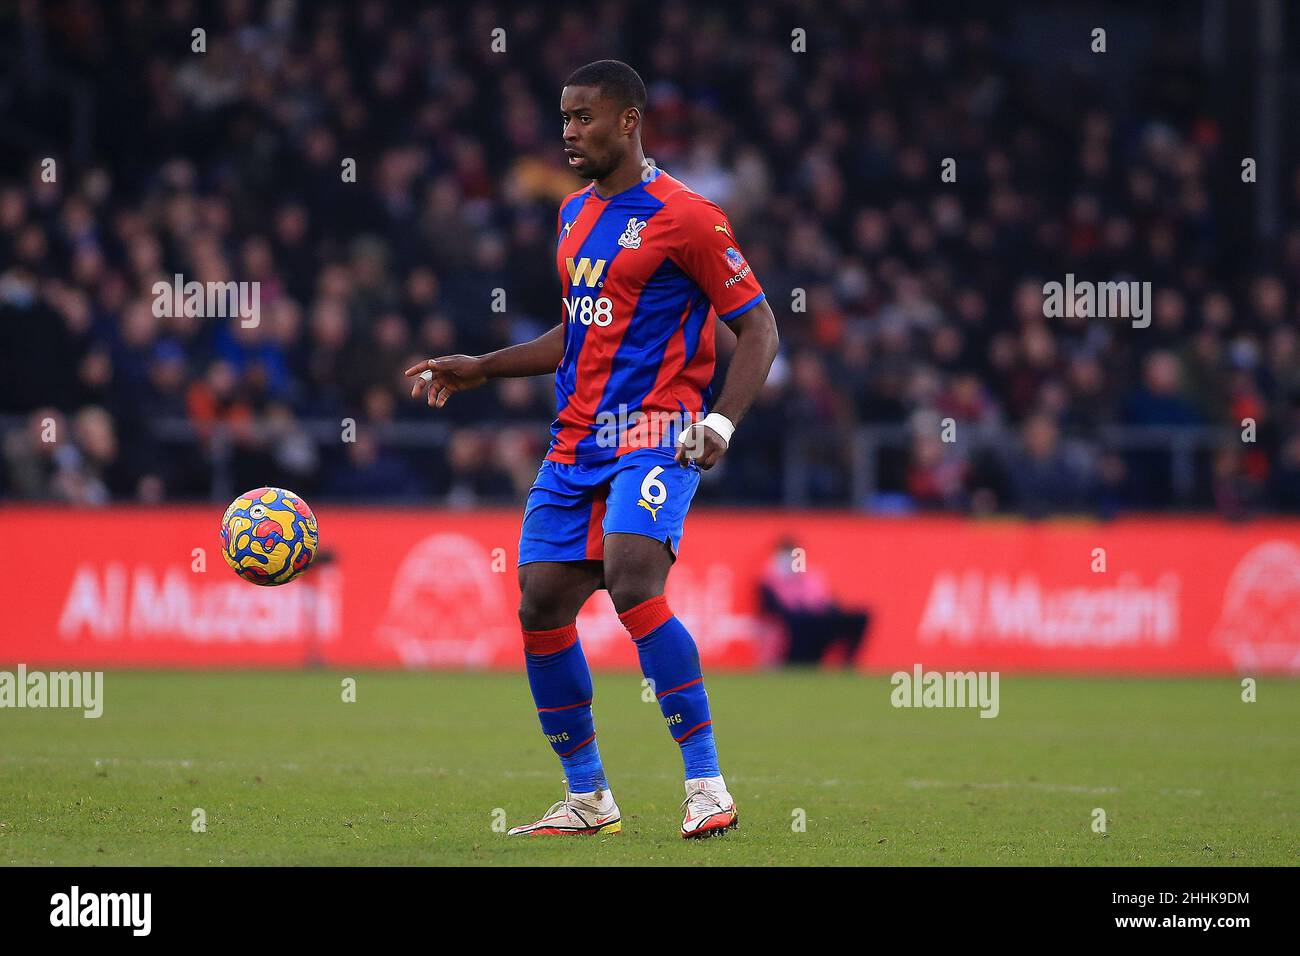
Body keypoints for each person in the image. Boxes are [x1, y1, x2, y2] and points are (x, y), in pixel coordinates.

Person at [405, 60, 779, 838]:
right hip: (575, 439)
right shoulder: (574, 212)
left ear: (630, 121)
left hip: (653, 432)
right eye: (565, 118)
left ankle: (707, 784)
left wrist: (721, 423)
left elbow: (761, 328)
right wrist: (483, 367)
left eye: (585, 118)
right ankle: (588, 798)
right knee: (539, 601)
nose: (570, 132)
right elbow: (579, 330)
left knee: (633, 577)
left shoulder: (690, 218)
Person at [759, 539, 871, 667]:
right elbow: (775, 608)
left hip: (818, 619)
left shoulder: (812, 576)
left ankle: (848, 663)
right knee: (801, 622)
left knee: (858, 618)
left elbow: (826, 601)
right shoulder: (770, 579)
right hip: (796, 624)